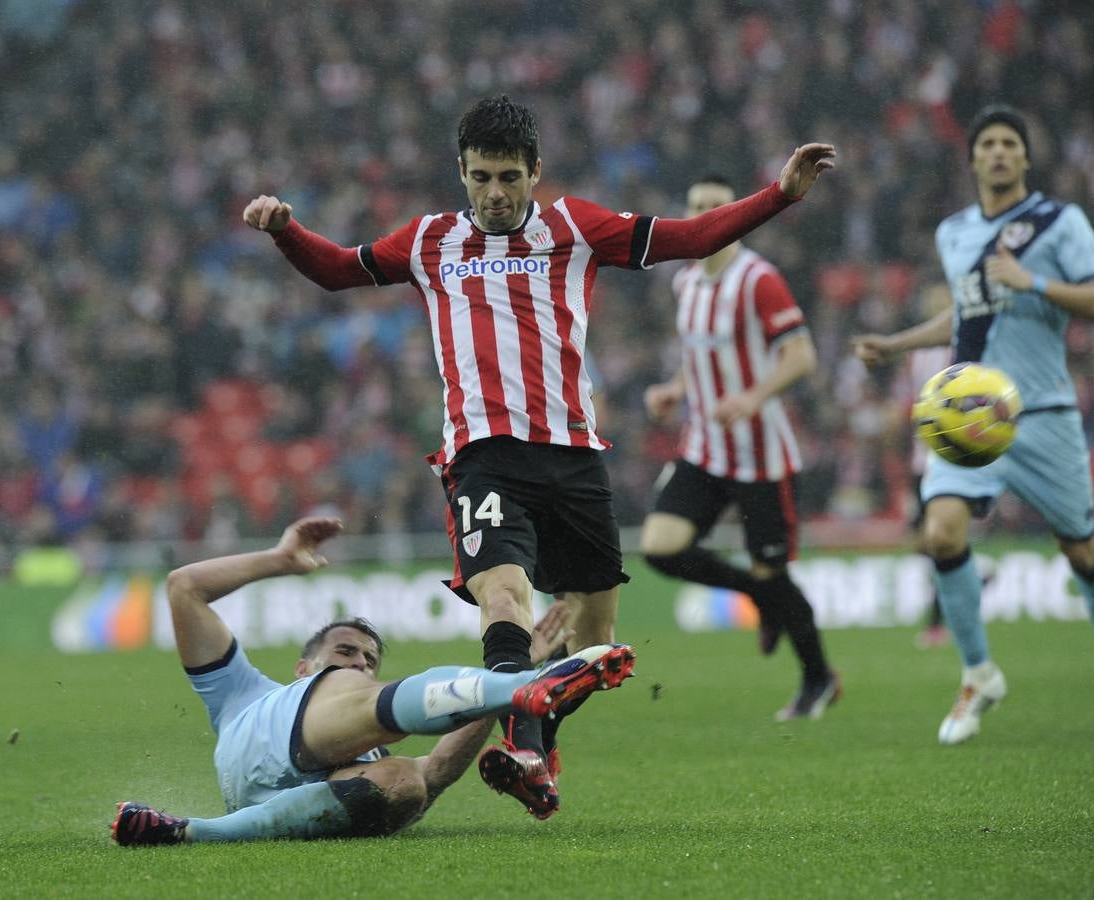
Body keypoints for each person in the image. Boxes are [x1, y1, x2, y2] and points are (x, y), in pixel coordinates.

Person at [243, 94, 835, 816]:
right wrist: (286, 231)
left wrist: (779, 196)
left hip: (573, 456)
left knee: (595, 639)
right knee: (504, 597)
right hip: (483, 456)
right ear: (461, 172)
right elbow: (339, 269)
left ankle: (538, 733)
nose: (495, 194)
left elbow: (688, 237)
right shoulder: (429, 241)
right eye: (482, 177)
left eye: (510, 178)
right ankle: (524, 747)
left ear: (535, 172)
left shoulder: (575, 227)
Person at [111, 515, 636, 846]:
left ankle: (193, 833)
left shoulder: (368, 748)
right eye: (344, 651)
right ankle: (518, 689)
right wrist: (277, 559)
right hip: (284, 735)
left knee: (407, 782)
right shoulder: (237, 690)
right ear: (302, 667)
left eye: (368, 658)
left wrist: (515, 671)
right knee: (361, 703)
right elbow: (184, 589)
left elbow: (439, 770)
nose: (358, 662)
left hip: (282, 803)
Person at [852, 104, 1094, 745]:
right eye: (987, 143)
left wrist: (1034, 281)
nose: (998, 153)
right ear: (972, 159)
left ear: (1025, 158)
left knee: (1083, 552)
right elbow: (965, 317)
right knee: (942, 530)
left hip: (1042, 413)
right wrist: (897, 344)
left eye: (1009, 143)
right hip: (971, 417)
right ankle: (978, 673)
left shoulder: (1059, 222)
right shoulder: (954, 232)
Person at [637, 174, 839, 722]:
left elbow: (801, 356)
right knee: (661, 546)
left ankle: (818, 678)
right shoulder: (685, 281)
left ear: (737, 213)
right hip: (703, 447)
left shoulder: (758, 280)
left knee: (776, 574)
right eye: (696, 206)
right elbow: (698, 353)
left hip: (760, 455)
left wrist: (753, 397)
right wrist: (676, 390)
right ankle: (758, 594)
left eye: (716, 207)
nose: (705, 215)